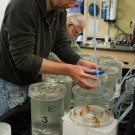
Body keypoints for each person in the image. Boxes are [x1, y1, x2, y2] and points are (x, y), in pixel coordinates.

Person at [0, 0, 99, 117]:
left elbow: (60, 43)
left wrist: (79, 62)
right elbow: (24, 59)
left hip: (33, 83)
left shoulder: (59, 11)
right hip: (11, 86)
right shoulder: (22, 6)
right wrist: (69, 70)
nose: (72, 5)